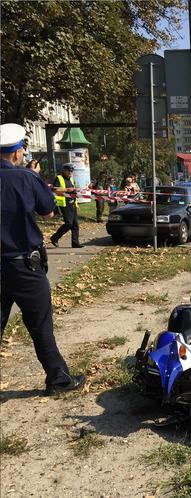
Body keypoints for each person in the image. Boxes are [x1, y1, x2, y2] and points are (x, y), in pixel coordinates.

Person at [0, 123, 86, 396]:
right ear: (16, 153)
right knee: (39, 324)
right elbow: (48, 212)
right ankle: (58, 377)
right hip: (24, 264)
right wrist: (34, 177)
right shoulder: (26, 178)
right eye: (23, 148)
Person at [50, 164, 83, 248]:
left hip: (72, 204)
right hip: (64, 204)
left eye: (71, 170)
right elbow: (55, 189)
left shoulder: (71, 179)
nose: (70, 172)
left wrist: (76, 204)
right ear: (64, 170)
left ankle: (75, 243)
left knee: (75, 225)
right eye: (69, 170)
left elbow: (73, 193)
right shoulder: (59, 178)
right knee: (68, 223)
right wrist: (67, 190)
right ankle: (55, 238)